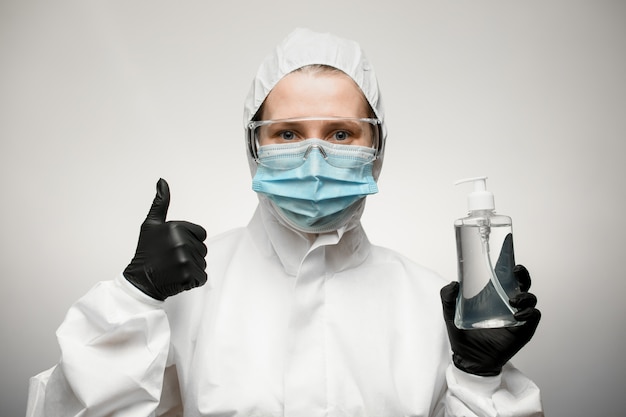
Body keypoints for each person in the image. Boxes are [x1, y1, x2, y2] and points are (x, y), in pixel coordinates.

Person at [26, 28, 543, 417]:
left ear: (376, 149)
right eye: (288, 133)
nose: (314, 159)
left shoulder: (432, 306)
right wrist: (134, 298)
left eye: (341, 134)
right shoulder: (187, 296)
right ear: (254, 146)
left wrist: (480, 376)